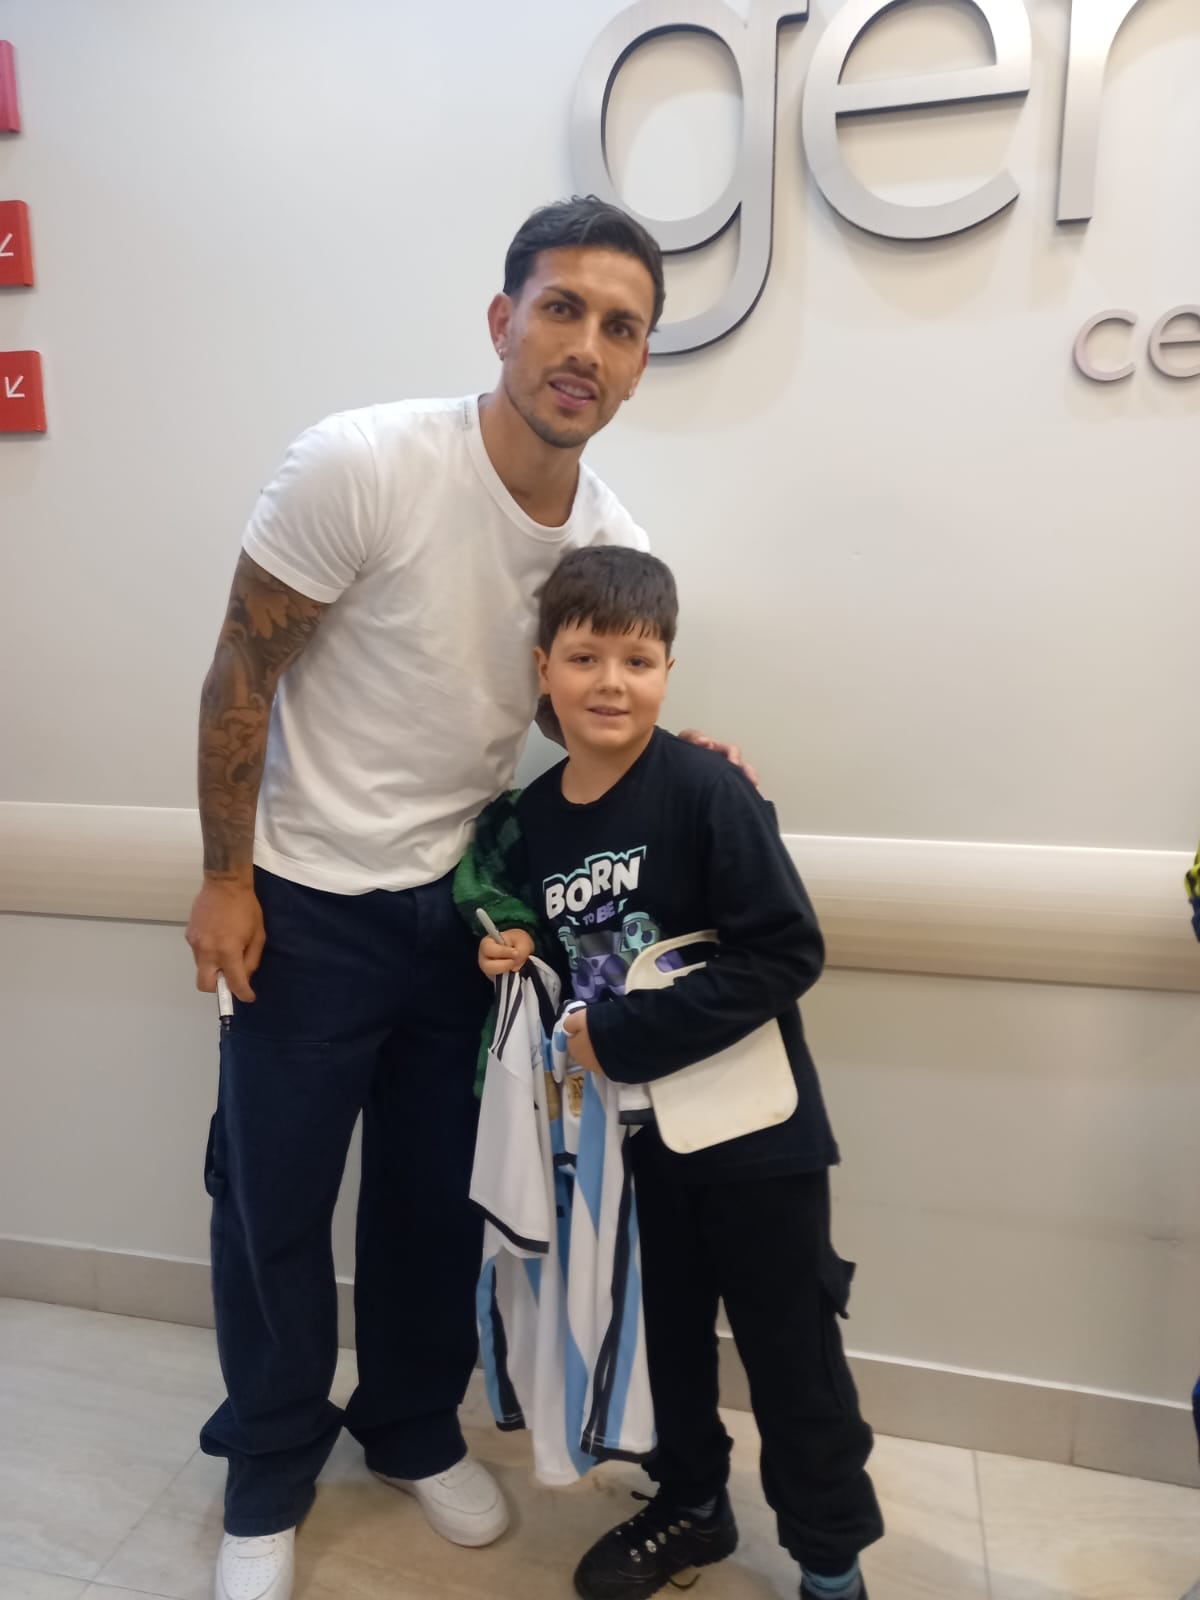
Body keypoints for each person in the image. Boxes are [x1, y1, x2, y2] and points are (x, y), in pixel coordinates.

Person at [184, 197, 750, 1600]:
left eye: (621, 328)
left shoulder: (602, 541)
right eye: (561, 309)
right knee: (275, 1202)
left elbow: (578, 718)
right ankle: (265, 1471)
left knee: (436, 1202)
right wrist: (221, 874)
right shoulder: (362, 464)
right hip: (302, 906)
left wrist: (679, 762)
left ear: (639, 365)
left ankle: (411, 1430)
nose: (586, 347)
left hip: (467, 920)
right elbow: (240, 673)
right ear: (503, 322)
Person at [468, 545, 884, 1600]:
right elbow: (526, 927)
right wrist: (508, 945)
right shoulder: (532, 822)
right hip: (623, 1149)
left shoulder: (707, 788)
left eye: (639, 659)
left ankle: (830, 1561)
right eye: (586, 656)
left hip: (754, 1142)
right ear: (543, 668)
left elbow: (786, 953)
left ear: (668, 669)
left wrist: (631, 1034)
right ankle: (690, 1504)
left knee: (792, 1354)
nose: (612, 681)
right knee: (660, 1344)